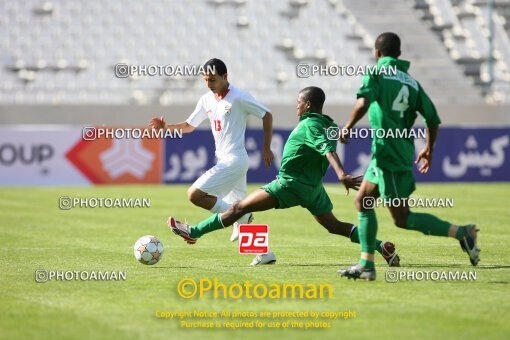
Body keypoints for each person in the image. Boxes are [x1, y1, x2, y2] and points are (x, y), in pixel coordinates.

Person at [168, 86, 401, 267]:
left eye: (299, 103)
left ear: (308, 104)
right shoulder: (326, 124)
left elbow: (328, 150)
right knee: (334, 226)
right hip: (313, 189)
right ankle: (382, 247)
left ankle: (193, 232)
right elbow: (331, 140)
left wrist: (342, 174)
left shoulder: (310, 126)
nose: (296, 107)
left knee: (238, 209)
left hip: (288, 184)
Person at [338, 32, 479, 281]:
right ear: (399, 55)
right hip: (390, 153)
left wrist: (347, 126)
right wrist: (429, 148)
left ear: (377, 53)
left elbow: (362, 102)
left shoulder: (376, 73)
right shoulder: (412, 83)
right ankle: (367, 265)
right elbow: (433, 119)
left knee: (402, 218)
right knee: (363, 201)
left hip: (389, 155)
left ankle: (462, 232)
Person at [149, 58, 276, 265]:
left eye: (213, 80)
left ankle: (227, 222)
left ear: (225, 77)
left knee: (195, 194)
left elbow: (267, 115)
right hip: (225, 159)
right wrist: (167, 127)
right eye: (206, 80)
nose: (209, 84)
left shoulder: (239, 97)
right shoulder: (206, 99)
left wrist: (266, 147)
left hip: (235, 160)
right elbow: (190, 126)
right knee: (237, 208)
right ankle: (264, 253)